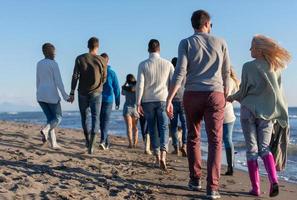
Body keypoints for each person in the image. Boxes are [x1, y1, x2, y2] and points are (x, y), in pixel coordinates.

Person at [166, 10, 231, 199]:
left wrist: (169, 99)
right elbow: (226, 72)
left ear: (193, 24)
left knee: (193, 136)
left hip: (192, 94)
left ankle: (195, 180)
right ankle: (213, 188)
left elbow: (180, 73)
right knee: (215, 141)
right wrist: (225, 92)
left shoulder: (186, 43)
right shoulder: (221, 42)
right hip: (215, 94)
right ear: (207, 23)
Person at [227, 35, 291, 197]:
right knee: (264, 148)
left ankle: (256, 188)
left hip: (248, 110)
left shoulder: (248, 66)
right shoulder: (275, 67)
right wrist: (281, 113)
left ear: (260, 49)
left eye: (252, 47)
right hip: (267, 113)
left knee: (252, 150)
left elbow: (244, 91)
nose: (249, 50)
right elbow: (279, 93)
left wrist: (232, 97)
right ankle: (273, 180)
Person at [136, 39, 174, 171]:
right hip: (163, 99)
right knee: (164, 127)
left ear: (148, 49)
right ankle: (164, 153)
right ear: (159, 49)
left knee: (152, 128)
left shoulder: (143, 65)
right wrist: (171, 101)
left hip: (147, 100)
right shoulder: (168, 64)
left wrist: (138, 102)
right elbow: (172, 85)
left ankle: (157, 155)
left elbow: (140, 84)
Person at [69, 37, 107, 154]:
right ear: (98, 46)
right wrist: (99, 85)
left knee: (84, 117)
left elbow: (75, 76)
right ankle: (92, 145)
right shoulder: (102, 60)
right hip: (96, 92)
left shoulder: (80, 58)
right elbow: (104, 78)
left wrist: (72, 92)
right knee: (96, 117)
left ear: (87, 45)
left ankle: (87, 140)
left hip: (82, 92)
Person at [36, 43, 69, 149]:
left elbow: (38, 80)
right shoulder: (54, 64)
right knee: (58, 118)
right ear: (46, 52)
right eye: (52, 51)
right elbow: (59, 81)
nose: (54, 53)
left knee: (50, 119)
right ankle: (45, 130)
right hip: (51, 95)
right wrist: (65, 96)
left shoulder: (39, 63)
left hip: (41, 95)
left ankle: (53, 143)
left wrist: (38, 93)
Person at [99, 53, 121, 150]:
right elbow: (117, 89)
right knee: (102, 121)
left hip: (106, 100)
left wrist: (117, 101)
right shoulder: (98, 72)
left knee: (104, 121)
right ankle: (105, 142)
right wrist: (117, 101)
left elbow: (116, 88)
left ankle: (103, 141)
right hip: (101, 100)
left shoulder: (111, 73)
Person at [223, 67, 239, 176]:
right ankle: (231, 165)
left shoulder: (223, 80)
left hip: (219, 112)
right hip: (229, 113)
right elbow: (233, 98)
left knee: (216, 141)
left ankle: (215, 163)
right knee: (228, 139)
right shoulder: (234, 82)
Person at [169, 57, 187, 156]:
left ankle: (176, 147)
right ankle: (184, 144)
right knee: (185, 125)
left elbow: (168, 86)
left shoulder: (171, 74)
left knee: (174, 125)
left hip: (173, 101)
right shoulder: (184, 73)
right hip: (184, 100)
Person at [122, 74, 139, 148]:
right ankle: (135, 143)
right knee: (135, 127)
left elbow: (122, 93)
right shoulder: (137, 88)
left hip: (127, 108)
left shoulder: (126, 88)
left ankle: (130, 144)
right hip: (135, 108)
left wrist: (125, 83)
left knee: (129, 127)